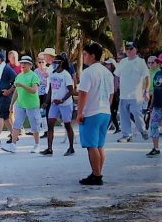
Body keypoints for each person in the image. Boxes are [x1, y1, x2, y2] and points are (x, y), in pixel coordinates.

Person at [75, 42, 114, 185]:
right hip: (105, 111)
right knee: (99, 145)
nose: (83, 57)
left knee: (92, 145)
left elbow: (83, 93)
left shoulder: (88, 72)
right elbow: (111, 94)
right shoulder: (107, 72)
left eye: (85, 54)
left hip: (92, 112)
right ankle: (97, 172)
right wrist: (106, 107)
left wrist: (79, 112)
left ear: (92, 56)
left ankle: (97, 176)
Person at [3, 56, 41, 153]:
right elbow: (16, 91)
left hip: (32, 105)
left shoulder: (34, 76)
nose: (22, 65)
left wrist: (22, 85)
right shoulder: (19, 76)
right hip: (20, 104)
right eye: (21, 63)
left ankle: (37, 145)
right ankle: (13, 145)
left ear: (30, 65)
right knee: (16, 125)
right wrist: (12, 104)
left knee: (34, 127)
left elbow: (33, 90)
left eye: (25, 63)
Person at [115, 41, 150, 142]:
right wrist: (115, 85)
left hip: (136, 95)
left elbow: (147, 77)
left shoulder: (141, 62)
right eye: (127, 49)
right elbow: (116, 75)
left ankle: (143, 130)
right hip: (123, 95)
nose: (129, 51)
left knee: (136, 113)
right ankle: (126, 135)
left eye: (131, 49)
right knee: (124, 115)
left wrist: (146, 91)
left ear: (136, 50)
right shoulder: (123, 62)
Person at [42, 56, 75, 156]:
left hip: (65, 104)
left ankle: (71, 147)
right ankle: (49, 149)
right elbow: (51, 89)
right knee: (50, 124)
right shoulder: (53, 74)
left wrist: (62, 100)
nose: (53, 63)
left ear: (60, 63)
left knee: (67, 125)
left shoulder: (66, 75)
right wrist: (46, 102)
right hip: (54, 103)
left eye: (55, 62)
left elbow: (71, 90)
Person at [0, 50, 14, 146]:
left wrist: (9, 91)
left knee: (0, 116)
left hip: (6, 97)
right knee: (5, 118)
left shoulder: (7, 69)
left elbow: (16, 81)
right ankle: (14, 135)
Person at [146, 60, 162, 158]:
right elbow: (156, 91)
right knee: (154, 126)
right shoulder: (157, 74)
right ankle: (155, 149)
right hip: (157, 105)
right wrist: (151, 105)